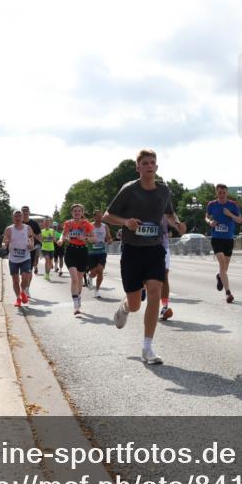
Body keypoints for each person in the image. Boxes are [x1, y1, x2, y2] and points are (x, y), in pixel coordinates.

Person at [103, 149, 185, 365]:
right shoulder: (129, 190)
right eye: (145, 163)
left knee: (155, 292)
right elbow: (107, 216)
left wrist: (177, 223)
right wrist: (125, 221)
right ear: (138, 167)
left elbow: (168, 213)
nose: (149, 166)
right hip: (132, 249)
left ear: (156, 167)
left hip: (155, 248)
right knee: (136, 303)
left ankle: (147, 347)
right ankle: (125, 306)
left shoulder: (164, 191)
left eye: (152, 162)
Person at [206, 183, 242, 304]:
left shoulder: (232, 205)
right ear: (216, 193)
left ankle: (219, 276)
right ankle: (228, 293)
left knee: (224, 269)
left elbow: (240, 220)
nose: (222, 195)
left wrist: (230, 214)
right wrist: (210, 222)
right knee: (222, 263)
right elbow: (206, 217)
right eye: (219, 192)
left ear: (227, 193)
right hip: (216, 238)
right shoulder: (212, 204)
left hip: (229, 239)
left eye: (224, 192)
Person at [58, 205, 94, 315]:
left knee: (79, 279)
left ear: (82, 212)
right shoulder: (68, 223)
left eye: (79, 211)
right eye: (75, 211)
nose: (77, 213)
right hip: (70, 251)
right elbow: (63, 235)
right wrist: (61, 241)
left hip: (82, 252)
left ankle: (78, 298)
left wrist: (85, 238)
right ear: (72, 213)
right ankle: (75, 305)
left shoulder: (87, 224)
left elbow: (94, 239)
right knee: (74, 279)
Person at [2, 209, 34, 307]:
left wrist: (30, 245)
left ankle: (23, 291)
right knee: (15, 280)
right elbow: (4, 242)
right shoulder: (9, 229)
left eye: (19, 216)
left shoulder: (28, 228)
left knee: (25, 278)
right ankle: (18, 298)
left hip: (26, 257)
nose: (18, 218)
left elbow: (32, 242)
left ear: (22, 217)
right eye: (16, 216)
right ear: (13, 218)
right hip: (13, 259)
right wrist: (4, 244)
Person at [88, 208, 113, 298]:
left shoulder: (105, 226)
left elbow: (109, 237)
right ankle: (90, 277)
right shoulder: (89, 226)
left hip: (102, 251)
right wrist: (91, 240)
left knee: (100, 271)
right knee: (94, 273)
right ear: (94, 217)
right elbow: (86, 237)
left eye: (100, 216)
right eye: (97, 216)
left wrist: (109, 240)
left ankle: (97, 290)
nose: (99, 218)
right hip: (91, 252)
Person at [21, 205, 42, 286]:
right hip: (21, 250)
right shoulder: (19, 223)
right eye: (23, 211)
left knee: (29, 270)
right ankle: (23, 287)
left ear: (29, 212)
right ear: (21, 212)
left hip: (32, 249)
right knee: (23, 273)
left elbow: (40, 238)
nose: (25, 212)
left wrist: (32, 234)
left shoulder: (34, 224)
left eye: (26, 211)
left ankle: (27, 289)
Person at [159, 216, 173, 320]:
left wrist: (179, 225)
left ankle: (164, 306)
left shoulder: (166, 206)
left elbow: (175, 222)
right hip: (145, 246)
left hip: (164, 246)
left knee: (164, 277)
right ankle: (142, 290)